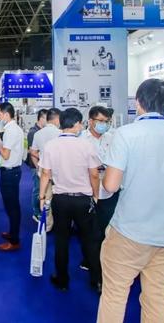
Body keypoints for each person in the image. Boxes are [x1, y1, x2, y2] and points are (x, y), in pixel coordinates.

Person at [97, 78, 164, 323]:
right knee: (156, 296)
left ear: (139, 102)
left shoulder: (126, 134)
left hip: (130, 230)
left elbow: (110, 185)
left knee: (115, 294)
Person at [39, 108, 102, 292]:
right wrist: (96, 195)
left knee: (61, 240)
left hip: (61, 199)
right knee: (90, 240)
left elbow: (45, 174)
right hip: (83, 199)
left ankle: (62, 280)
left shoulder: (51, 145)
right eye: (80, 123)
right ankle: (97, 280)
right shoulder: (86, 145)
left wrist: (42, 196)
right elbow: (94, 174)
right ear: (76, 124)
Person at [0, 102, 24, 251]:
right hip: (12, 171)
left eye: (0, 114)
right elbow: (8, 150)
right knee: (12, 205)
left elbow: (5, 154)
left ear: (7, 114)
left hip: (10, 172)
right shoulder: (12, 129)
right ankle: (12, 233)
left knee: (12, 206)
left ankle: (14, 241)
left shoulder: (11, 131)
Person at [81, 106, 117, 237]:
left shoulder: (111, 138)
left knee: (106, 223)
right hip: (87, 188)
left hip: (108, 188)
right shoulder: (81, 139)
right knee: (88, 226)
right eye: (101, 121)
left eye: (107, 121)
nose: (104, 124)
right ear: (91, 121)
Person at [30, 108, 62, 230]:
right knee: (60, 199)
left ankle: (48, 225)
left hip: (44, 173)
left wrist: (40, 163)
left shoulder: (38, 134)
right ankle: (60, 224)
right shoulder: (60, 133)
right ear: (57, 119)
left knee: (46, 199)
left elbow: (33, 152)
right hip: (59, 173)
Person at [26, 109, 47, 222]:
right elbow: (31, 151)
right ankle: (36, 212)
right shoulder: (33, 132)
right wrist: (38, 167)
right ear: (41, 118)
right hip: (36, 166)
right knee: (37, 189)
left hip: (44, 165)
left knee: (43, 189)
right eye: (46, 118)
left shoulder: (43, 131)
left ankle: (42, 210)